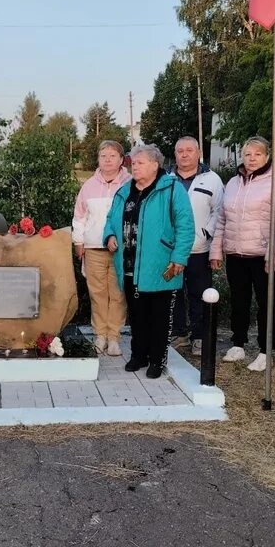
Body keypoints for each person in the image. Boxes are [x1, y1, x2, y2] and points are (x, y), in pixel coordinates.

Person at [104, 143, 194, 379]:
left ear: (155, 165)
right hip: (130, 266)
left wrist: (179, 257)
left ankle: (156, 360)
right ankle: (138, 355)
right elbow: (110, 218)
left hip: (161, 265)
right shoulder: (124, 191)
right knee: (137, 316)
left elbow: (185, 226)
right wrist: (110, 235)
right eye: (134, 163)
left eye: (141, 163)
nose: (135, 167)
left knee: (160, 318)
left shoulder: (172, 189)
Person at [210, 136, 275, 372]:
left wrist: (273, 253)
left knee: (267, 302)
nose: (252, 159)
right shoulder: (234, 182)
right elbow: (222, 219)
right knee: (239, 299)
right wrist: (217, 250)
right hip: (236, 253)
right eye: (248, 154)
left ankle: (266, 349)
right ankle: (238, 343)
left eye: (257, 154)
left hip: (262, 255)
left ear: (267, 156)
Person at [72, 140, 132, 356]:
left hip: (120, 250)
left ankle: (114, 337)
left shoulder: (130, 184)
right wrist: (79, 242)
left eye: (112, 156)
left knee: (117, 294)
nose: (107, 160)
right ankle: (100, 335)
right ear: (98, 159)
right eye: (103, 155)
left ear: (121, 159)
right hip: (94, 248)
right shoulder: (88, 186)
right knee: (97, 293)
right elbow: (79, 217)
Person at [167, 136, 224, 355]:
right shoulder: (167, 179)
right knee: (174, 293)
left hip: (200, 249)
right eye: (180, 150)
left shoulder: (212, 180)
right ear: (175, 154)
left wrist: (207, 235)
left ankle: (199, 337)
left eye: (189, 150)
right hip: (171, 249)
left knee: (200, 294)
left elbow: (219, 212)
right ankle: (179, 333)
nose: (184, 154)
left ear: (198, 153)